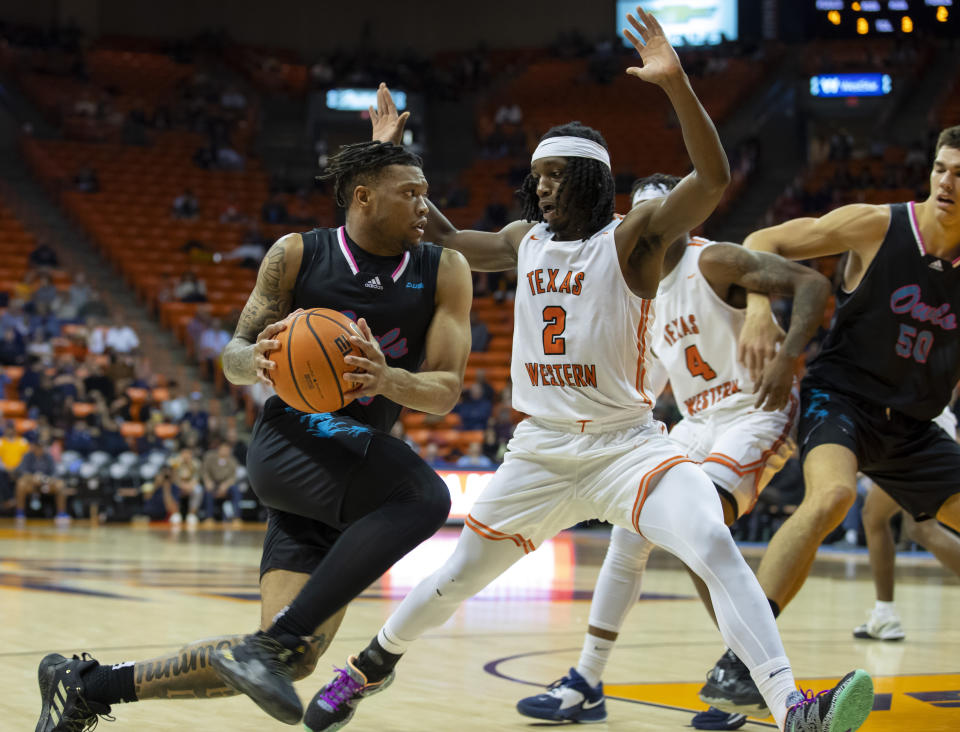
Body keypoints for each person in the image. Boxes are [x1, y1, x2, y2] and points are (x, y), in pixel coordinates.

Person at [307, 13, 872, 732]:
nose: (539, 189)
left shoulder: (634, 238)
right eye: (534, 178)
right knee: (453, 579)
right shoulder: (525, 239)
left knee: (710, 540)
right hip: (540, 449)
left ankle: (792, 706)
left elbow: (714, 178)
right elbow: (439, 233)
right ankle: (366, 669)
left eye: (552, 177)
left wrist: (676, 86)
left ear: (586, 180)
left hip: (627, 446)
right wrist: (389, 157)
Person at [33, 135, 472, 731]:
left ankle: (90, 687)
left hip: (351, 475)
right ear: (364, 198)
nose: (426, 206)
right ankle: (273, 642)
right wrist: (257, 360)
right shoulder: (296, 254)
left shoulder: (445, 268)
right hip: (294, 445)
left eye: (427, 193)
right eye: (411, 193)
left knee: (289, 660)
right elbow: (234, 355)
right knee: (424, 496)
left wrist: (387, 377)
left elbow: (445, 391)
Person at [515, 171, 831, 728]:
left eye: (666, 211)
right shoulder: (641, 287)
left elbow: (812, 286)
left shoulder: (715, 261)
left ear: (687, 215)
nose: (656, 225)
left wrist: (787, 358)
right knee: (628, 532)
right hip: (696, 422)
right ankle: (588, 680)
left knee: (698, 523)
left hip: (754, 413)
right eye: (644, 215)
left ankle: (747, 676)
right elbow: (646, 382)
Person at [698, 123, 960, 713]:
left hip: (915, 426)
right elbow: (764, 237)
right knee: (833, 496)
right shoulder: (880, 225)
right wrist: (762, 309)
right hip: (839, 400)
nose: (947, 180)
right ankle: (738, 665)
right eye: (942, 167)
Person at [854, 406, 960, 641]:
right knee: (910, 526)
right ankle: (884, 614)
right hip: (930, 429)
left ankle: (885, 615)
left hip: (920, 433)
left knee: (882, 518)